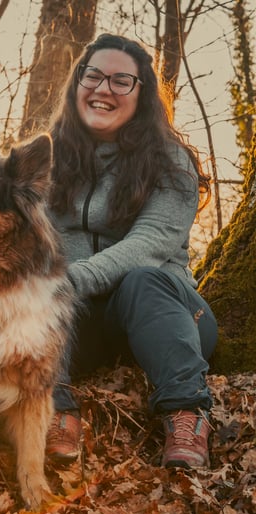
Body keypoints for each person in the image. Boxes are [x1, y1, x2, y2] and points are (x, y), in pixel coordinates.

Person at [43, 33, 218, 470]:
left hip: (166, 313)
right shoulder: (46, 159)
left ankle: (186, 415)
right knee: (36, 296)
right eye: (94, 76)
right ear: (77, 82)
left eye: (122, 81)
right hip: (80, 321)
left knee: (142, 278)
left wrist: (69, 279)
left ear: (142, 95)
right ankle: (54, 410)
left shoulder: (171, 161)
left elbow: (148, 245)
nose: (103, 89)